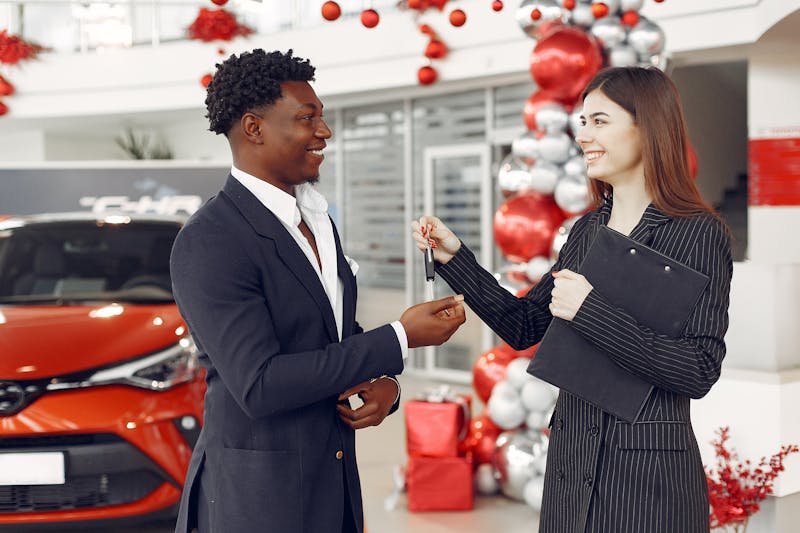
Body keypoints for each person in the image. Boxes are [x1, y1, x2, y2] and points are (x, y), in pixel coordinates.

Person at [412, 66, 732, 533]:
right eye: (582, 122)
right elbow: (524, 325)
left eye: (600, 121)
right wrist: (455, 258)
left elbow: (698, 369)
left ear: (648, 127)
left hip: (649, 480)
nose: (584, 135)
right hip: (570, 466)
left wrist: (591, 312)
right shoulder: (586, 232)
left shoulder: (699, 233)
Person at [171, 49, 465, 533]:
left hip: (334, 488)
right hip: (258, 503)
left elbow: (335, 335)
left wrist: (387, 387)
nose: (324, 132)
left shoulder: (317, 220)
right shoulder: (210, 240)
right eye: (308, 119)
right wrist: (399, 338)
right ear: (254, 128)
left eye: (322, 118)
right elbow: (259, 384)